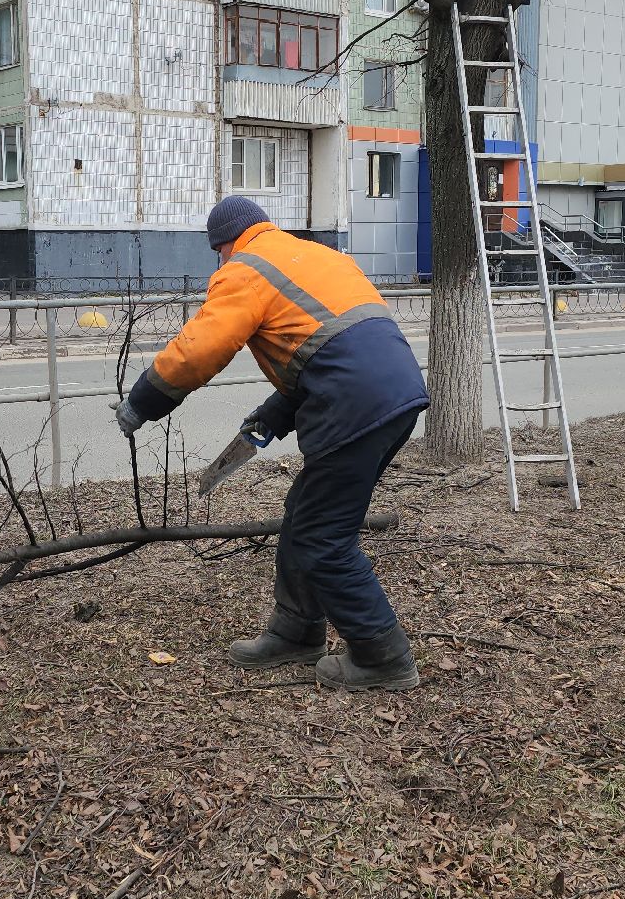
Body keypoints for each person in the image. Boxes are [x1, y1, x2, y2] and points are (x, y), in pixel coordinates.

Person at [114, 197, 430, 692]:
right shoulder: (312, 256)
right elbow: (331, 341)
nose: (220, 261)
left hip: (354, 401)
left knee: (323, 534)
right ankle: (296, 632)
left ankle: (382, 655)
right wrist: (278, 411)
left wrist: (143, 402)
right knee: (306, 512)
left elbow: (203, 346)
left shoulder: (245, 269)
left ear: (224, 245)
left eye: (218, 252)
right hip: (393, 394)